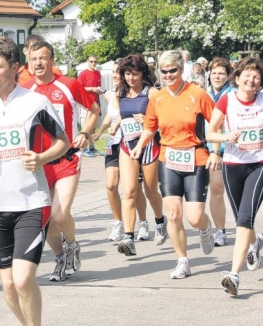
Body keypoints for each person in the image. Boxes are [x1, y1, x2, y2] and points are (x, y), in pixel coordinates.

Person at [0, 36, 70, 324]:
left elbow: (63, 141)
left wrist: (42, 158)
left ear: (15, 67)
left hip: (31, 202)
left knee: (21, 280)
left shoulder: (35, 102)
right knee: (7, 285)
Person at [131, 50, 218, 278]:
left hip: (196, 159)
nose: (168, 75)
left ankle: (205, 228)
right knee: (173, 214)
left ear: (181, 69)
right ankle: (182, 260)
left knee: (194, 216)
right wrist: (140, 145)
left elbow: (217, 122)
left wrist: (216, 150)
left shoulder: (197, 94)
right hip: (168, 160)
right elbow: (150, 127)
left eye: (173, 70)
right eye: (164, 71)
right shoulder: (157, 98)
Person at [24, 41, 100, 281]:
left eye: (43, 58)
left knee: (59, 213)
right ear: (29, 61)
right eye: (34, 59)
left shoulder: (68, 85)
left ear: (51, 60)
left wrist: (85, 132)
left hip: (67, 158)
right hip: (39, 163)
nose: (38, 63)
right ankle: (59, 258)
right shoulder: (24, 91)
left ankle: (72, 245)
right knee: (45, 219)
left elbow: (94, 108)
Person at [207, 56, 263, 296]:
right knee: (241, 219)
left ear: (260, 82)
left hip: (261, 163)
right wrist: (226, 138)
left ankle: (234, 275)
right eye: (247, 75)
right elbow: (211, 133)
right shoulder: (227, 100)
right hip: (233, 164)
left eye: (256, 76)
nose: (252, 79)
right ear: (236, 78)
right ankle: (255, 243)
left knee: (244, 219)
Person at [110, 53, 167, 256]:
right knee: (129, 192)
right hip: (127, 146)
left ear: (143, 74)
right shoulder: (121, 93)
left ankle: (160, 220)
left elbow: (164, 119)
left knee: (151, 191)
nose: (130, 78)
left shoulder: (151, 93)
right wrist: (115, 127)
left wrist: (147, 120)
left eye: (134, 74)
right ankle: (128, 238)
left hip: (149, 146)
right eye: (127, 74)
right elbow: (121, 115)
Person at [92, 59, 149, 241]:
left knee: (134, 188)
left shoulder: (130, 93)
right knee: (110, 185)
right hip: (114, 143)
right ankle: (118, 222)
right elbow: (111, 116)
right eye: (115, 73)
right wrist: (100, 132)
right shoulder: (110, 94)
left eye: (119, 72)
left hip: (132, 143)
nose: (116, 75)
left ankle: (142, 222)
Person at [206, 57, 234, 247]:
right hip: (202, 149)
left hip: (226, 149)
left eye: (221, 73)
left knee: (218, 189)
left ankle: (222, 231)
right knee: (207, 191)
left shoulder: (233, 95)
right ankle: (209, 228)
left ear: (228, 76)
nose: (217, 76)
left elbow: (222, 125)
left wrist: (216, 150)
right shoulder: (203, 94)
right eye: (214, 72)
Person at [77, 54, 105, 157]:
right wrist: (91, 89)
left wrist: (99, 91)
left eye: (95, 62)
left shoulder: (98, 73)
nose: (93, 63)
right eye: (91, 61)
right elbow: (78, 88)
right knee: (86, 126)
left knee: (92, 126)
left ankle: (92, 148)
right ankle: (84, 149)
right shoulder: (83, 74)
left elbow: (98, 87)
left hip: (96, 103)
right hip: (87, 103)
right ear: (87, 62)